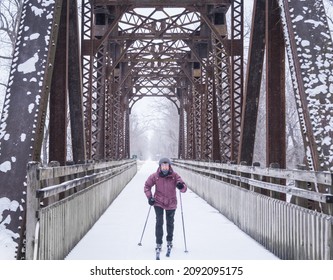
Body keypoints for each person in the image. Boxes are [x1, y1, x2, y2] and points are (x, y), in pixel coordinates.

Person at [144, 157, 187, 256]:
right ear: (160, 166)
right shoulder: (155, 176)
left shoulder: (175, 176)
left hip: (171, 202)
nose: (164, 168)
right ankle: (159, 242)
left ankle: (169, 240)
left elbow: (184, 188)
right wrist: (150, 197)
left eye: (166, 165)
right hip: (158, 201)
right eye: (163, 165)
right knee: (159, 222)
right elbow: (147, 186)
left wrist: (181, 186)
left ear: (169, 166)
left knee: (170, 222)